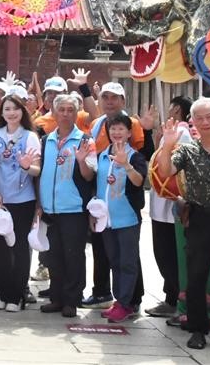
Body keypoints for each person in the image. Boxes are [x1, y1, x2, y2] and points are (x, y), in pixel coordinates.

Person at [154, 97, 210, 349]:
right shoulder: (188, 150)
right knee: (196, 276)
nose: (205, 122)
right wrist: (167, 146)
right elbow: (166, 172)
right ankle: (197, 328)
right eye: (199, 118)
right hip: (200, 217)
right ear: (192, 122)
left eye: (209, 116)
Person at [82, 82, 154, 310]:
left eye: (115, 97)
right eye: (106, 97)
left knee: (128, 258)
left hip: (127, 208)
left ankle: (131, 299)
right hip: (104, 208)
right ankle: (107, 294)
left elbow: (144, 158)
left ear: (123, 101)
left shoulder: (133, 124)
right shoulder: (97, 125)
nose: (110, 101)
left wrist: (149, 131)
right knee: (109, 255)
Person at [38, 94, 96, 318]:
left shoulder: (85, 140)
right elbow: (41, 173)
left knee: (73, 255)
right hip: (51, 208)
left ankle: (72, 299)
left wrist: (82, 161)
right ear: (54, 112)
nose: (65, 114)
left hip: (74, 208)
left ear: (77, 113)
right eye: (61, 109)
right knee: (54, 255)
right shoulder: (46, 140)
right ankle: (56, 297)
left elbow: (89, 177)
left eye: (70, 110)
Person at [94, 114, 148, 323]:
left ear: (128, 133)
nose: (116, 133)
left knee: (127, 262)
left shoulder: (135, 157)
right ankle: (120, 301)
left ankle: (126, 303)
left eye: (121, 129)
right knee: (114, 261)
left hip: (127, 219)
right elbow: (98, 186)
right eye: (113, 129)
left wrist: (126, 165)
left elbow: (138, 181)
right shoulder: (101, 155)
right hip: (106, 220)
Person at [0, 94, 41, 312]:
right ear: (1, 113)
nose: (11, 113)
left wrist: (26, 166)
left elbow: (37, 170)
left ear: (23, 111)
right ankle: (2, 289)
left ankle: (17, 294)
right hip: (0, 199)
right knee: (1, 247)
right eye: (7, 109)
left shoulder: (30, 137)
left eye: (16, 109)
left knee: (19, 247)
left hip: (23, 199)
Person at [145, 96, 192, 320]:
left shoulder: (184, 132)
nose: (170, 111)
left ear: (179, 110)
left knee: (168, 255)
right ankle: (171, 298)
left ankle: (179, 303)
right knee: (163, 253)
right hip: (159, 204)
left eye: (173, 107)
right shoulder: (171, 130)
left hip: (171, 205)